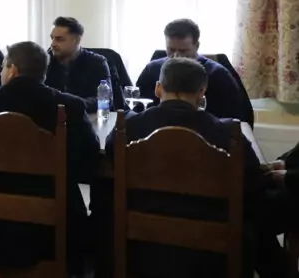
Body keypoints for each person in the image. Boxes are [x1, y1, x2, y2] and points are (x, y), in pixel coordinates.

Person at [105, 57, 286, 278]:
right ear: (202, 92)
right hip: (210, 242)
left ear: (158, 88)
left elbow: (111, 159)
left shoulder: (129, 127)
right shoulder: (228, 133)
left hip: (142, 235)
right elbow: (250, 182)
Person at [0, 41, 100, 273]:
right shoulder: (70, 106)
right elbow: (90, 157)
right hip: (50, 212)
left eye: (3, 67)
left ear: (13, 70)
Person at [136, 19, 253, 122]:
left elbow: (235, 119)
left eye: (183, 51)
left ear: (197, 46)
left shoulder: (218, 76)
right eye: (171, 50)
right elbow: (137, 110)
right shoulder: (152, 70)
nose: (176, 56)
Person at [44, 16, 123, 113]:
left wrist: (70, 104)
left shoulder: (97, 62)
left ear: (77, 40)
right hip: (53, 117)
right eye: (52, 38)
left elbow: (104, 100)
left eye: (59, 39)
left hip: (87, 117)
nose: (53, 44)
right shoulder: (45, 61)